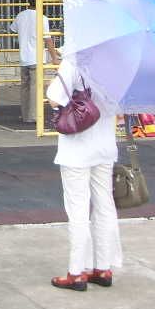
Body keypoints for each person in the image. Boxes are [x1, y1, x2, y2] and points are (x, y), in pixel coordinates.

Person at [46, 56, 122, 291]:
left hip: (78, 148)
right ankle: (103, 268)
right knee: (105, 205)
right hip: (105, 145)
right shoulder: (116, 62)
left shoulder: (74, 60)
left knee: (78, 209)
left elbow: (54, 97)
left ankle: (76, 272)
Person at [8, 1, 61, 124]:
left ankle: (25, 115)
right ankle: (34, 116)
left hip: (24, 58)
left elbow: (12, 29)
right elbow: (48, 39)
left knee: (25, 88)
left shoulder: (20, 15)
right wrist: (54, 57)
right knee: (35, 88)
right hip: (36, 58)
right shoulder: (42, 18)